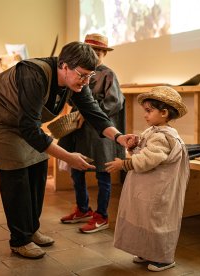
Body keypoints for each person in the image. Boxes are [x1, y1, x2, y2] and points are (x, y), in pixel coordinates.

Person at [0, 41, 135, 259]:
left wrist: (120, 137)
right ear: (64, 66)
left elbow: (93, 112)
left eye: (89, 77)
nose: (86, 82)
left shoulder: (76, 82)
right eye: (82, 76)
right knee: (16, 171)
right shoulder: (33, 75)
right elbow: (30, 129)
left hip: (19, 122)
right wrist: (68, 157)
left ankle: (31, 229)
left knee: (38, 164)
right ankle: (20, 240)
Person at [105, 86, 190, 272]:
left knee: (156, 220)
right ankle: (146, 250)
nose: (145, 115)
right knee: (144, 217)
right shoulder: (153, 131)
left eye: (149, 111)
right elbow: (144, 152)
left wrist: (125, 164)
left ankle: (163, 257)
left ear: (164, 112)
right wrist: (134, 145)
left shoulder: (162, 135)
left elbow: (150, 159)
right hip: (149, 186)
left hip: (158, 188)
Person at [59, 33, 126, 233]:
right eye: (91, 50)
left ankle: (102, 215)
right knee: (77, 168)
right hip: (79, 131)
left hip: (100, 133)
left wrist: (89, 113)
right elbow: (72, 97)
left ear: (104, 53)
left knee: (102, 173)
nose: (95, 55)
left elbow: (115, 102)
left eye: (98, 51)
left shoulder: (108, 74)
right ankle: (82, 208)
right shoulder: (76, 71)